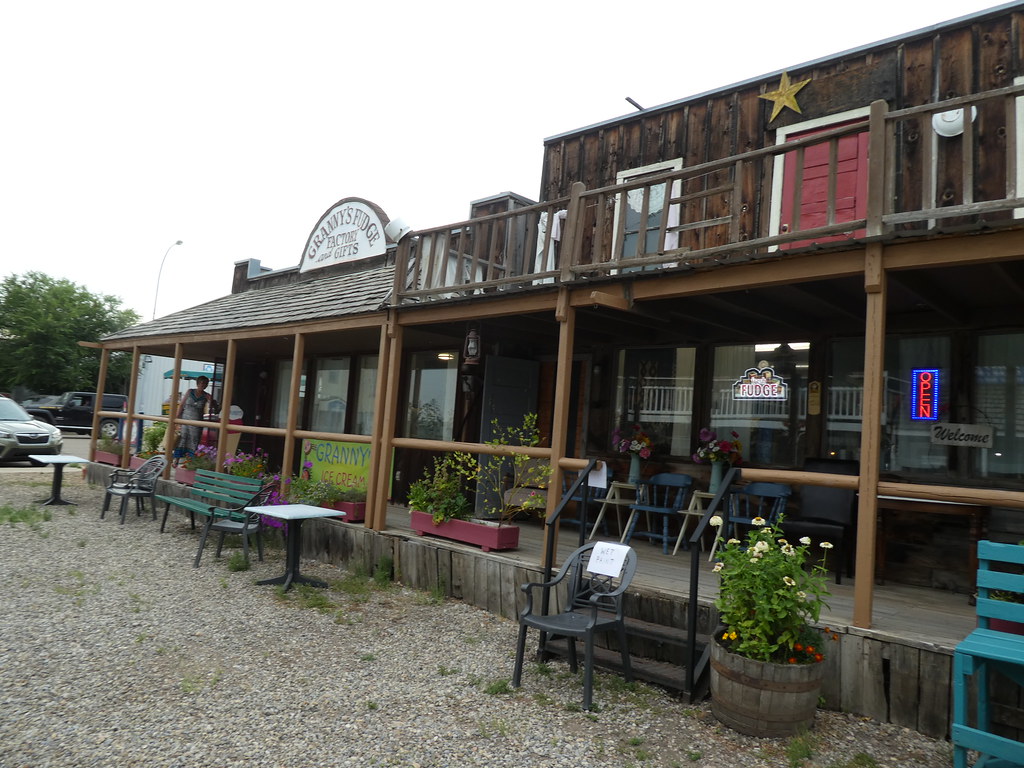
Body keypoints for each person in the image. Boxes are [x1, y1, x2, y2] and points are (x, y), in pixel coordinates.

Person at [173, 375, 214, 465]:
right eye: (202, 383)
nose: (203, 385)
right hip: (185, 420)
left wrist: (211, 400)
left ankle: (190, 462)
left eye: (205, 384)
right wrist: (176, 418)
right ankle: (176, 460)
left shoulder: (206, 396)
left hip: (197, 422)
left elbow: (214, 407)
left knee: (194, 441)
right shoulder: (190, 391)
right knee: (182, 438)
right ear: (198, 383)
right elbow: (181, 405)